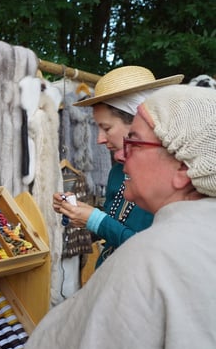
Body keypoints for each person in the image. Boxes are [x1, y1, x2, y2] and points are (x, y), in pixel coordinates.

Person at [19, 84, 216, 349]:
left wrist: (94, 219)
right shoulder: (196, 229)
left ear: (183, 169)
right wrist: (85, 218)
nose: (121, 155)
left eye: (133, 141)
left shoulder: (151, 257)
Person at [53, 66, 182, 268]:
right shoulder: (117, 172)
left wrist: (96, 220)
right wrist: (81, 214)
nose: (99, 139)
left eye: (106, 128)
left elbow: (151, 252)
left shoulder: (173, 181)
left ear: (138, 125)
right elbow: (116, 224)